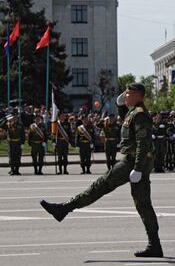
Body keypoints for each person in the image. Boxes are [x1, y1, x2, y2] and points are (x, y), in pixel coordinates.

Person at [40, 83, 163, 257]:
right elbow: (126, 121)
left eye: (128, 93)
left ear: (137, 95)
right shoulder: (134, 112)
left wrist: (137, 168)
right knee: (142, 204)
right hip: (135, 160)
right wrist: (121, 103)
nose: (125, 95)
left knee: (101, 185)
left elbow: (143, 144)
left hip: (135, 161)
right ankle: (155, 245)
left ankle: (64, 209)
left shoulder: (141, 115)